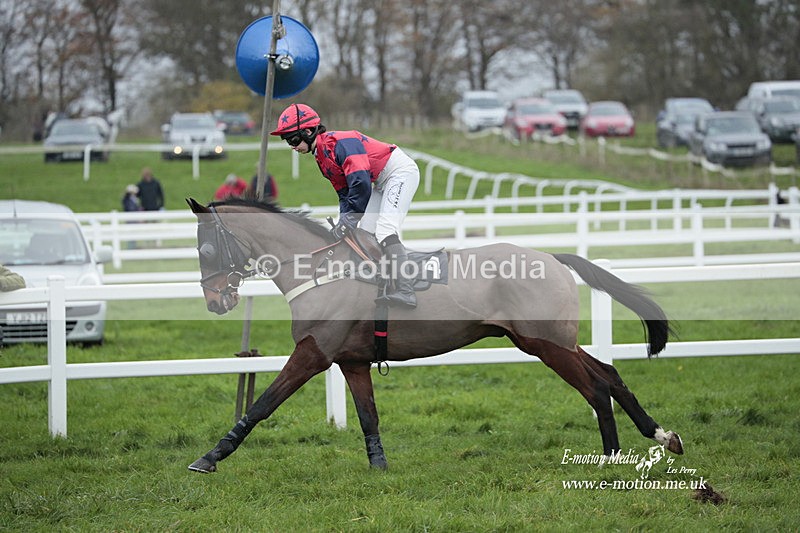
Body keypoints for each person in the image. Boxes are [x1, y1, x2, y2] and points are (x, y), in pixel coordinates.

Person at [270, 103, 420, 308]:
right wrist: (344, 222)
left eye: (293, 139)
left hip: (399, 172)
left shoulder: (341, 142)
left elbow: (360, 183)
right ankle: (383, 282)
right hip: (378, 180)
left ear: (308, 131)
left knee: (386, 230)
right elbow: (345, 193)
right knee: (364, 233)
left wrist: (349, 220)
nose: (291, 145)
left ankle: (406, 290)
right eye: (287, 140)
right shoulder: (321, 157)